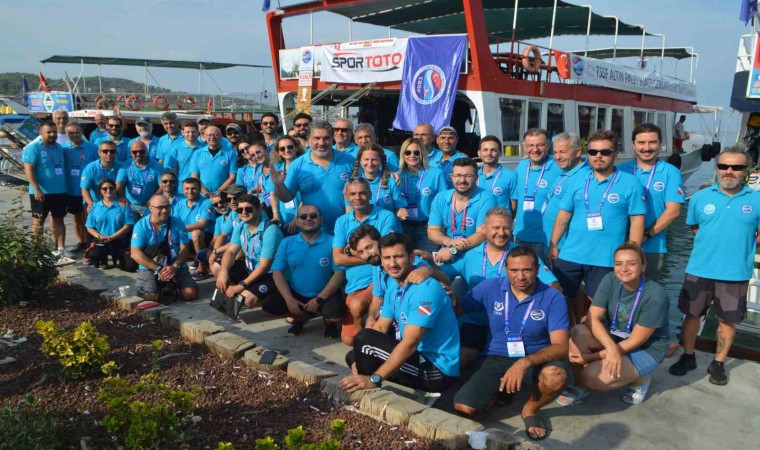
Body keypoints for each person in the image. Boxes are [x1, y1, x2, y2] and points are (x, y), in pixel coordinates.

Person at [450, 246, 570, 442]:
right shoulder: (491, 287)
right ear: (506, 269)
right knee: (464, 407)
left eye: (527, 270)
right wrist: (444, 295)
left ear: (537, 269)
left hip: (537, 357)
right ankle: (501, 390)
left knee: (555, 376)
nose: (520, 276)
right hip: (497, 355)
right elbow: (458, 308)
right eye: (514, 270)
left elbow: (561, 346)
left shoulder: (553, 297)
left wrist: (523, 363)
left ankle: (530, 410)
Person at [669, 148, 760, 386]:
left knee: (727, 321)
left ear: (746, 171)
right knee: (691, 315)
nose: (729, 171)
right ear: (716, 168)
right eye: (723, 166)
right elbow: (696, 228)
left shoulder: (757, 199)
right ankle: (688, 356)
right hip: (699, 270)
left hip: (735, 273)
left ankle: (718, 363)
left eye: (736, 167)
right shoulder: (700, 197)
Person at [340, 232, 460, 394]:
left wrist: (374, 378)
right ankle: (366, 384)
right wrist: (362, 355)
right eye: (387, 258)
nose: (392, 263)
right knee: (355, 355)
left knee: (364, 341)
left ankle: (369, 387)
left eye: (398, 257)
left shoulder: (425, 289)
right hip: (416, 356)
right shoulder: (394, 284)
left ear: (411, 258)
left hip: (436, 370)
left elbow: (410, 343)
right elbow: (380, 327)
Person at [442, 207, 560, 369]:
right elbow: (440, 274)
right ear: (484, 228)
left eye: (506, 228)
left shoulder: (522, 255)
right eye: (496, 228)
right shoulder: (470, 255)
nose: (501, 233)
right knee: (463, 360)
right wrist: (426, 269)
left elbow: (554, 286)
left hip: (513, 324)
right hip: (476, 321)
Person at [548, 130, 646, 323]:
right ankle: (570, 333)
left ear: (615, 154)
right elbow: (564, 214)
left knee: (599, 304)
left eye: (605, 152)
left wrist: (633, 252)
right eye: (593, 152)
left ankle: (592, 335)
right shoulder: (578, 179)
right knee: (560, 298)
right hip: (571, 253)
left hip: (605, 257)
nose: (598, 156)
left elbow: (637, 220)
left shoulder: (630, 182)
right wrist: (554, 244)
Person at [557, 242, 670, 407]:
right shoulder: (610, 279)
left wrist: (591, 358)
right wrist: (610, 348)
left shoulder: (655, 296)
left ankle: (640, 378)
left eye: (631, 263)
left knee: (591, 376)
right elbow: (593, 317)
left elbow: (636, 341)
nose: (624, 269)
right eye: (618, 264)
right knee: (577, 332)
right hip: (615, 337)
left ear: (643, 266)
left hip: (646, 347)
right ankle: (581, 385)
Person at [333, 178, 399, 344]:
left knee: (357, 306)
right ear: (346, 197)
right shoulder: (342, 221)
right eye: (353, 194)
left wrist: (351, 251)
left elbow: (386, 252)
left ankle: (366, 344)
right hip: (355, 285)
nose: (358, 197)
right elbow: (338, 258)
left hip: (381, 279)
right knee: (348, 340)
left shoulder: (386, 216)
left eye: (362, 193)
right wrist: (371, 257)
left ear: (370, 194)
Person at [617, 124, 685, 282]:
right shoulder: (621, 170)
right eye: (641, 142)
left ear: (660, 144)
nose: (647, 148)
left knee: (647, 292)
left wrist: (644, 236)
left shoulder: (671, 172)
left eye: (652, 142)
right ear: (633, 144)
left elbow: (673, 211)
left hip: (651, 247)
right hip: (618, 244)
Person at [271, 204, 346, 337]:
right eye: (303, 216)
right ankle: (300, 318)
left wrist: (318, 299)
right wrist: (289, 300)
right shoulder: (286, 242)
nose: (308, 219)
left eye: (313, 216)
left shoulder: (333, 241)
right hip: (297, 292)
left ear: (321, 219)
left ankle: (329, 323)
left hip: (325, 293)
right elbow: (277, 273)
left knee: (335, 313)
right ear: (297, 220)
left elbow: (339, 274)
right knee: (270, 306)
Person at [271, 121, 355, 232]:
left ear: (332, 138)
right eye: (317, 138)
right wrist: (279, 185)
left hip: (345, 229)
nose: (321, 143)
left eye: (326, 138)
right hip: (313, 232)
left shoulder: (349, 161)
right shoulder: (297, 165)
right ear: (308, 139)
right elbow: (286, 198)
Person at [215, 195, 284, 310]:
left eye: (248, 209)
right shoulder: (242, 226)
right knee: (217, 267)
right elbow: (231, 251)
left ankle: (275, 298)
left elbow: (264, 266)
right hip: (250, 269)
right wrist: (223, 271)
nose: (244, 212)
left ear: (259, 209)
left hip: (269, 275)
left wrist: (241, 286)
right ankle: (243, 291)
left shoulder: (270, 231)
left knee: (246, 299)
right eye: (240, 210)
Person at [130, 194, 199, 302]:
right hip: (151, 266)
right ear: (150, 208)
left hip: (175, 264)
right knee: (150, 297)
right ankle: (162, 285)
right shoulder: (141, 226)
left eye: (167, 207)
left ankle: (173, 284)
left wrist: (175, 266)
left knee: (190, 294)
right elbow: (135, 253)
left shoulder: (178, 223)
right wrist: (159, 269)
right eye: (160, 207)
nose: (165, 210)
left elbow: (185, 248)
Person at [428, 158, 497, 263]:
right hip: (447, 253)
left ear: (476, 177)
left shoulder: (487, 198)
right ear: (452, 177)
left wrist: (453, 249)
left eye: (468, 176)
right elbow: (432, 230)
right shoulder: (441, 197)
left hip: (477, 256)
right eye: (458, 175)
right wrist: (449, 241)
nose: (462, 180)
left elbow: (482, 234)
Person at [511, 128, 563, 259]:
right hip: (521, 234)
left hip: (546, 238)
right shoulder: (521, 166)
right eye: (530, 145)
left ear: (548, 145)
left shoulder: (559, 167)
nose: (535, 149)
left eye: (540, 145)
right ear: (524, 146)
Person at [22, 120, 70, 259]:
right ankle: (37, 252)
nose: (52, 134)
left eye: (54, 132)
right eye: (49, 132)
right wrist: (36, 189)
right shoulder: (33, 148)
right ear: (41, 133)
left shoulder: (59, 147)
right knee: (38, 222)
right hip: (41, 193)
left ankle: (60, 249)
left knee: (59, 220)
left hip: (59, 191)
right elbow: (28, 170)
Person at [542, 132, 590, 254]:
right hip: (551, 242)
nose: (557, 157)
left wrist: (555, 245)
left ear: (577, 152)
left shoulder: (584, 176)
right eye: (555, 152)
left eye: (562, 152)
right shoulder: (566, 171)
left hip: (565, 246)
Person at [397, 137, 447, 252]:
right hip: (403, 228)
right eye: (408, 152)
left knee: (426, 261)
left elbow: (443, 203)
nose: (412, 155)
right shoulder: (397, 176)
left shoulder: (436, 174)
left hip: (427, 228)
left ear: (422, 154)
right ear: (403, 155)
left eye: (416, 152)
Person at [62, 122, 99, 253]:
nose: (74, 135)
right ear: (66, 134)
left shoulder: (93, 148)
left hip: (89, 190)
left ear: (82, 132)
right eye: (71, 133)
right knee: (77, 217)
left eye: (77, 132)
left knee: (92, 217)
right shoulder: (63, 148)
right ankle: (82, 242)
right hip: (72, 189)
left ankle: (95, 242)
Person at [85, 178, 134, 269]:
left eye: (111, 188)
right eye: (104, 189)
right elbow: (89, 227)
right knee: (94, 254)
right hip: (101, 240)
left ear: (115, 190)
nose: (108, 190)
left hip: (119, 240)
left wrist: (112, 237)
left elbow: (128, 226)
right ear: (100, 191)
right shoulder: (94, 207)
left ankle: (119, 258)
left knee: (130, 266)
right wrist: (100, 236)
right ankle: (103, 260)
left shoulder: (123, 205)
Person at [172, 177, 216, 280]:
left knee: (196, 233)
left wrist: (181, 228)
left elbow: (202, 224)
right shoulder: (179, 204)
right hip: (185, 238)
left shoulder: (207, 203)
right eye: (187, 189)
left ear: (200, 189)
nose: (190, 191)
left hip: (205, 238)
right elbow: (174, 223)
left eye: (193, 188)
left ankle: (203, 267)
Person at [350, 143, 406, 214]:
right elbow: (349, 212)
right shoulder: (353, 184)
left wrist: (400, 215)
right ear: (360, 161)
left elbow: (399, 210)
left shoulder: (391, 182)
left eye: (374, 160)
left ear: (381, 161)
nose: (370, 163)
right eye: (366, 159)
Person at [116, 140, 165, 219]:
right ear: (130, 153)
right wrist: (121, 197)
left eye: (141, 151)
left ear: (147, 151)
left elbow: (163, 186)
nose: (138, 154)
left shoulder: (157, 166)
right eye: (135, 152)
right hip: (130, 204)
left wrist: (154, 197)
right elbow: (119, 184)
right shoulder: (125, 166)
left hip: (148, 204)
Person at [209, 184, 245, 277]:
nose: (232, 202)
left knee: (230, 263)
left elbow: (241, 243)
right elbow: (222, 235)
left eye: (236, 198)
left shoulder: (249, 213)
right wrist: (215, 253)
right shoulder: (234, 213)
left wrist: (217, 252)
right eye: (228, 199)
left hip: (247, 251)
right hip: (234, 248)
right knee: (214, 263)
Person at [189, 126, 238, 194]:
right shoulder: (197, 153)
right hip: (203, 195)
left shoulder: (231, 153)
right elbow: (195, 176)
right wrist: (206, 193)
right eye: (209, 135)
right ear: (204, 137)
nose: (212, 137)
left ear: (221, 136)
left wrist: (218, 192)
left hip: (223, 194)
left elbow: (232, 177)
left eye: (215, 134)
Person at [270, 136, 305, 232]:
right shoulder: (277, 168)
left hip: (303, 217)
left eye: (290, 147)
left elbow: (307, 195)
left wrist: (297, 217)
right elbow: (273, 194)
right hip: (284, 217)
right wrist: (276, 215)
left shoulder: (305, 167)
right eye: (282, 149)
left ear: (296, 148)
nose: (287, 150)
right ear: (278, 152)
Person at [81, 141, 122, 212]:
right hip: (96, 203)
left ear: (116, 153)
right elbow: (85, 189)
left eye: (112, 151)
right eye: (105, 151)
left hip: (116, 203)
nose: (109, 154)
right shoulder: (91, 168)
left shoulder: (122, 167)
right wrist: (91, 203)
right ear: (99, 153)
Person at [477, 135, 517, 208]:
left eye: (493, 150)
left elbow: (514, 206)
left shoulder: (511, 176)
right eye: (485, 150)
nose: (489, 153)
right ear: (479, 153)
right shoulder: (473, 175)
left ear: (500, 153)